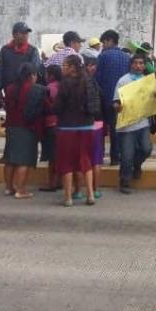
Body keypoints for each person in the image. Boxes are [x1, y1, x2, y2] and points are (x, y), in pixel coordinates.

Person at [54, 54, 101, 206]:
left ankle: (68, 198)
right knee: (85, 160)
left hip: (67, 128)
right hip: (87, 127)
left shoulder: (65, 84)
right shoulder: (88, 81)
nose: (62, 68)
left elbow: (58, 107)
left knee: (67, 163)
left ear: (72, 67)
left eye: (65, 66)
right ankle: (91, 195)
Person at [113, 55, 154, 194]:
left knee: (147, 149)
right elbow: (116, 100)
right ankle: (124, 180)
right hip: (127, 124)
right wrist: (117, 106)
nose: (138, 66)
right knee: (126, 155)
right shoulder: (123, 81)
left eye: (141, 63)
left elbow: (152, 99)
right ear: (131, 65)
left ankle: (137, 165)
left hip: (143, 122)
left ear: (144, 65)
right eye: (135, 63)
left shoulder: (147, 80)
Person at [2, 63, 44, 199]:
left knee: (10, 159)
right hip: (27, 127)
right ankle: (21, 189)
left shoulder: (10, 88)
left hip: (11, 126)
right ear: (31, 75)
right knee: (24, 160)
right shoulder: (35, 89)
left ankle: (9, 187)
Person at [96, 29, 131, 166]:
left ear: (109, 41)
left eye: (103, 43)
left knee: (101, 128)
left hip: (104, 98)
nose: (103, 46)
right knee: (116, 130)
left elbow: (98, 78)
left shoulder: (103, 57)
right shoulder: (126, 57)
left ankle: (99, 156)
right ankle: (115, 158)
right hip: (120, 99)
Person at [0, 22, 41, 93]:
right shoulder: (5, 50)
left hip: (25, 91)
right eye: (23, 33)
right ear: (14, 34)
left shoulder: (32, 51)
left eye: (27, 33)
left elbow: (34, 70)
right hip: (8, 90)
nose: (25, 35)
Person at [84, 56, 104, 199]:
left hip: (83, 124)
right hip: (96, 122)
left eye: (94, 65)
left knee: (83, 158)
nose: (93, 68)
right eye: (90, 65)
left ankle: (78, 190)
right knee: (96, 159)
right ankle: (95, 189)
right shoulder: (93, 82)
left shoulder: (79, 81)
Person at [38, 65, 61, 192]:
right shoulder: (63, 86)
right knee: (59, 154)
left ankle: (52, 182)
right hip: (62, 124)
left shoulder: (48, 89)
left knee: (52, 156)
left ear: (51, 75)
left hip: (50, 124)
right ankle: (59, 180)